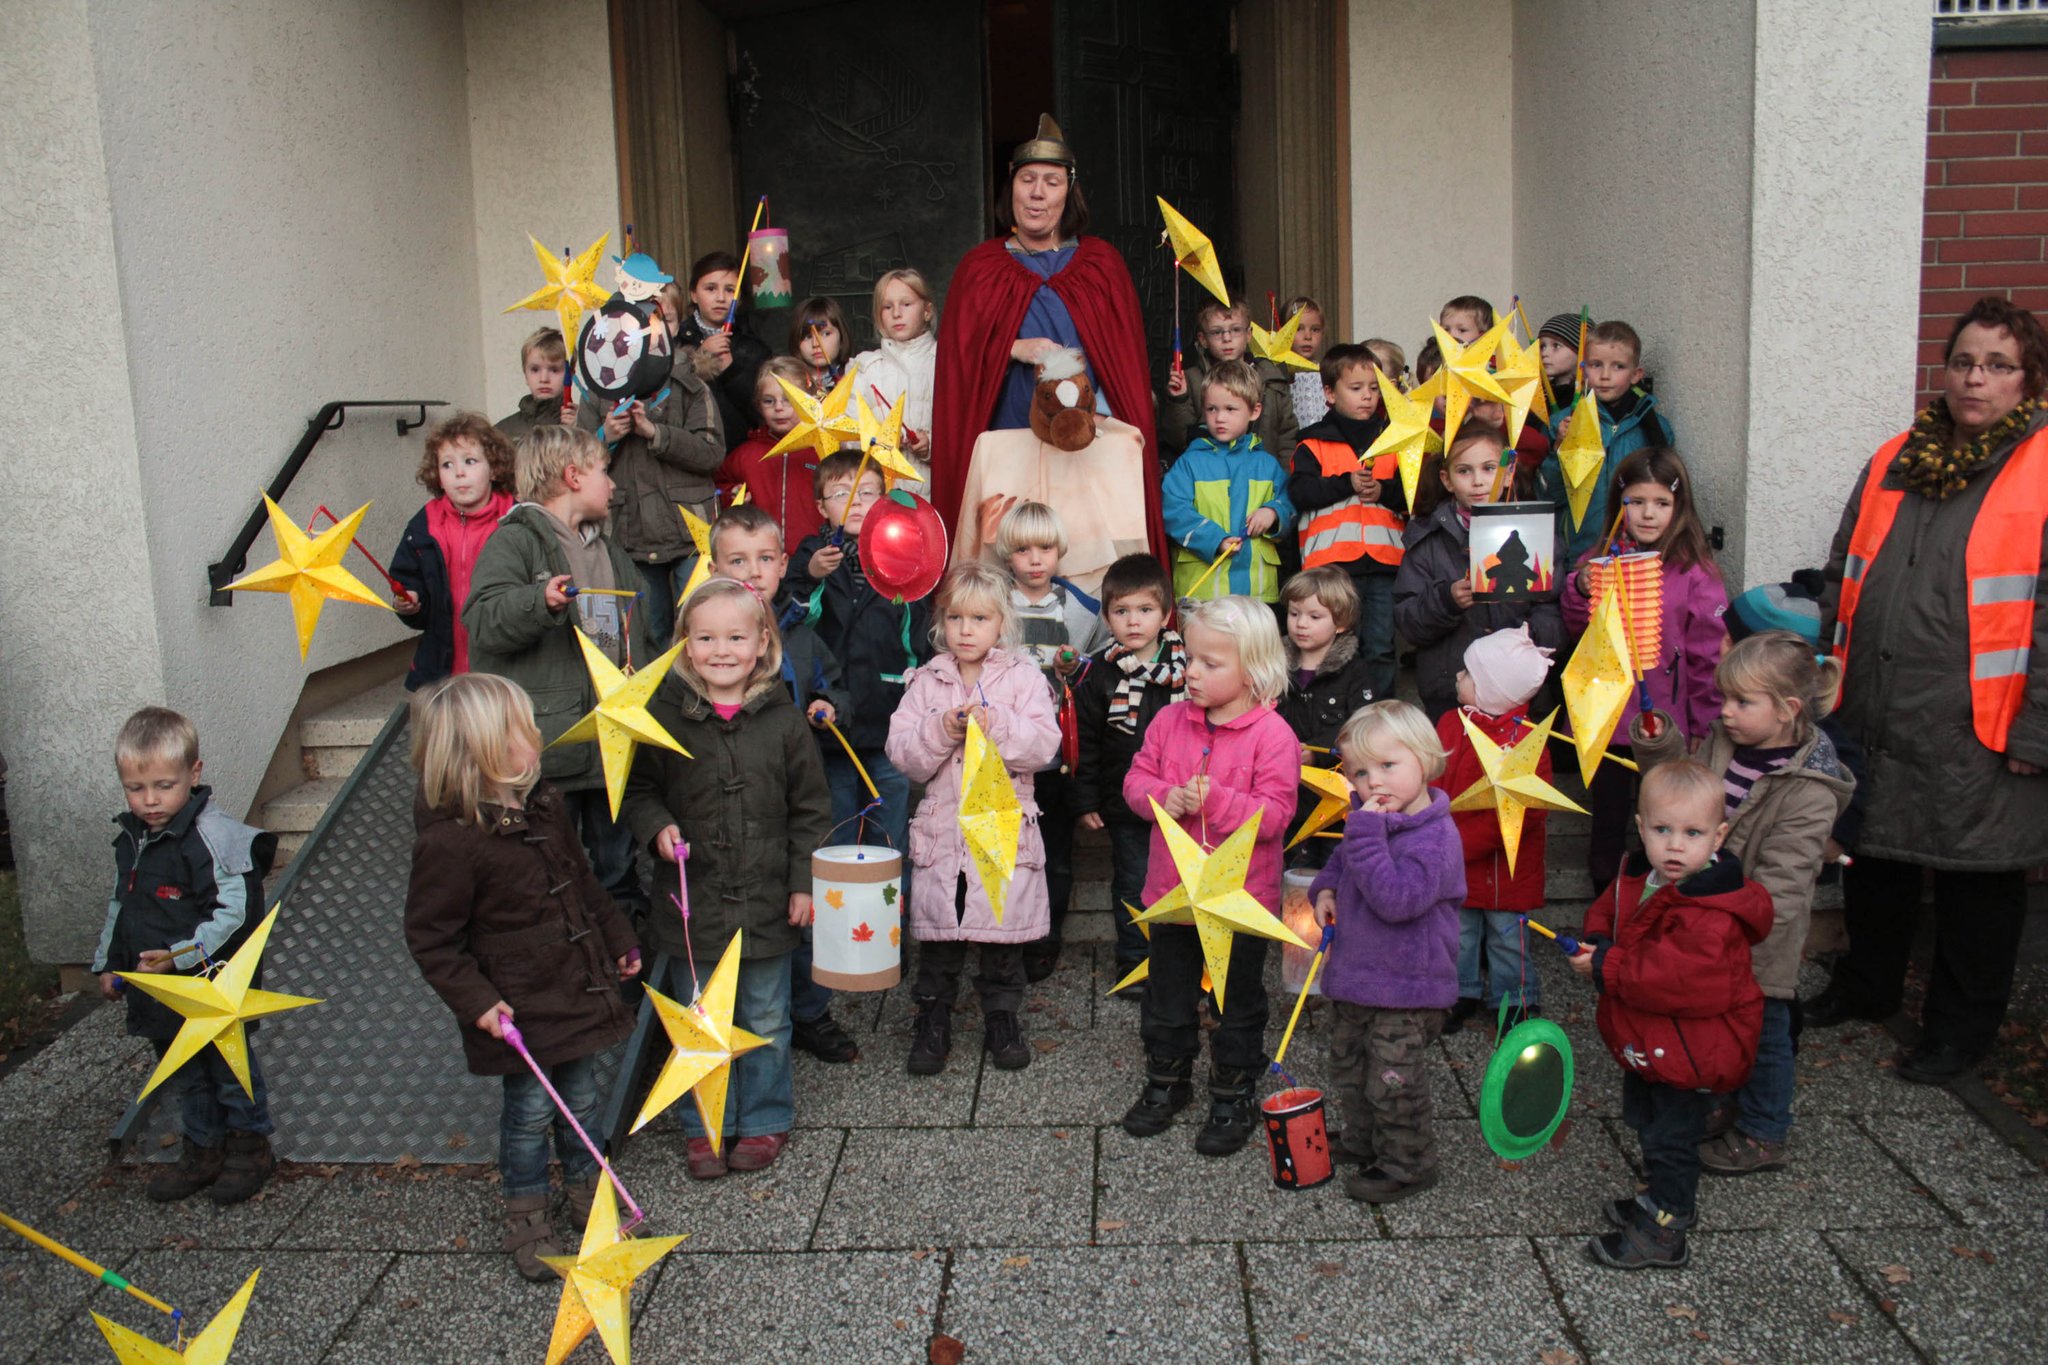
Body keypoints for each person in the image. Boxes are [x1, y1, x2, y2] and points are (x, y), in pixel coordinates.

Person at [1809, 296, 2048, 1083]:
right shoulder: (1894, 457)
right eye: (1965, 361)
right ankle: (1868, 985)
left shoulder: (2042, 465)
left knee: (1980, 884)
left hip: (1981, 722)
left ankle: (1959, 1030)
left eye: (1998, 365)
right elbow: (1845, 572)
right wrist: (1827, 685)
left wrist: (2036, 732)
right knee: (1876, 858)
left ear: (2028, 378)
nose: (1976, 378)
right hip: (1876, 705)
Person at [402, 675, 640, 1279]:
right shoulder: (451, 844)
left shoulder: (544, 806)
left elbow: (583, 881)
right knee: (531, 1111)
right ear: (482, 751)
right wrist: (478, 1003)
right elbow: (432, 938)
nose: (536, 734)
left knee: (582, 1097)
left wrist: (616, 938)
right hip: (519, 1006)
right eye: (521, 729)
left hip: (577, 985)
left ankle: (588, 1188)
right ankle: (527, 1209)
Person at [622, 578, 832, 1178]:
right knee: (699, 1018)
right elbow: (637, 790)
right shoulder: (665, 718)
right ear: (687, 646)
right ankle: (705, 1124)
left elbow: (812, 811)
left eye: (736, 637)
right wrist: (657, 825)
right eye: (706, 637)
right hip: (692, 904)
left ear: (762, 642)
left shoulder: (786, 722)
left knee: (766, 1015)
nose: (721, 650)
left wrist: (803, 884)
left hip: (766, 899)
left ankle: (764, 1119)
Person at [1632, 631, 1853, 1174]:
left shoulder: (1809, 788)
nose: (1725, 712)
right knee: (1715, 1024)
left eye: (1741, 702)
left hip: (1759, 933)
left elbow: (1784, 879)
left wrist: (1737, 925)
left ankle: (1764, 1129)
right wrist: (1661, 746)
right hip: (1706, 919)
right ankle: (1721, 1096)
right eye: (1724, 698)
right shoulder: (1725, 745)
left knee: (1766, 1030)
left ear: (1788, 710)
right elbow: (1690, 797)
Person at [930, 114, 1166, 566]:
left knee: (1089, 562)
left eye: (1052, 182)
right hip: (1009, 441)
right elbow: (959, 362)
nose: (1037, 193)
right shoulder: (980, 268)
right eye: (1028, 179)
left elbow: (1123, 366)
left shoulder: (1102, 265)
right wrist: (1012, 348)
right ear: (1012, 187)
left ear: (1069, 191)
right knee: (1010, 559)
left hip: (1090, 444)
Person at [1570, 760, 1772, 1270]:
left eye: (1693, 833)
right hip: (1653, 1042)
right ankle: (1656, 1198)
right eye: (1662, 830)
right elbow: (1609, 909)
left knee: (1672, 1138)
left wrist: (1607, 964)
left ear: (1719, 835)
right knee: (1647, 1122)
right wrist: (1597, 939)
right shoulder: (1642, 874)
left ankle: (1668, 1224)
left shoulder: (1711, 913)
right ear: (1642, 828)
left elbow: (1679, 979)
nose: (1676, 845)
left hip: (1690, 1050)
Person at [1121, 597, 1299, 1155]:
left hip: (1241, 902)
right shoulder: (1169, 720)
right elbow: (1135, 781)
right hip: (1173, 896)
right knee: (1166, 995)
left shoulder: (1273, 737)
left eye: (1209, 663)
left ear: (1254, 670)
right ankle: (1166, 1081)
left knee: (1237, 1000)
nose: (1190, 672)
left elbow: (1275, 816)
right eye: (1189, 658)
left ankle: (1233, 1089)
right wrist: (1160, 798)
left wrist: (1218, 802)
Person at [464, 425, 664, 916]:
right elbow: (483, 621)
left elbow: (643, 636)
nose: (613, 485)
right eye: (605, 473)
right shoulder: (514, 542)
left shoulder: (611, 552)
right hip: (551, 752)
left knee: (618, 873)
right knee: (551, 877)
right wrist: (540, 602)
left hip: (612, 747)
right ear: (573, 477)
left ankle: (624, 970)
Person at [92, 707, 279, 1206]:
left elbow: (234, 912)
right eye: (136, 788)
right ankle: (204, 1149)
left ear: (194, 774)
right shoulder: (132, 838)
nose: (149, 800)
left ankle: (250, 1146)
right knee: (184, 1070)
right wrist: (109, 963)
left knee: (229, 1069)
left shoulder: (214, 838)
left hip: (211, 986)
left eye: (163, 785)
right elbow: (122, 905)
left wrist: (181, 955)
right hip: (159, 990)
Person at [887, 562, 1063, 1074]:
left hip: (1000, 827)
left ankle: (1002, 1016)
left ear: (1001, 624)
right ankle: (933, 1016)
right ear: (941, 622)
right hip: (943, 832)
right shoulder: (926, 682)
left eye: (980, 619)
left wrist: (999, 724)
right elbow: (903, 753)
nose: (966, 629)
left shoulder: (1024, 679)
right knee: (941, 935)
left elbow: (1043, 747)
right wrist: (942, 727)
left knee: (999, 935)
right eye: (956, 618)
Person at [709, 503, 857, 1066]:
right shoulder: (705, 640)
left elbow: (837, 685)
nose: (753, 570)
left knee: (804, 905)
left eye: (765, 558)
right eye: (738, 559)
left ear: (779, 565)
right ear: (715, 566)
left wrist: (829, 704)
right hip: (727, 799)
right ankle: (743, 1018)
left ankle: (811, 1013)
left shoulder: (799, 633)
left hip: (794, 799)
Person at [1310, 700, 1462, 1203]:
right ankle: (1363, 1139)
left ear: (1424, 759)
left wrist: (1367, 836)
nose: (1373, 782)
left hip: (1408, 987)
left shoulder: (1435, 836)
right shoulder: (1370, 821)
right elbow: (1342, 863)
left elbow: (1400, 900)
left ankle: (1408, 1161)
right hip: (1357, 974)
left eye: (1388, 766)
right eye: (1359, 771)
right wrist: (1325, 890)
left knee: (1393, 1079)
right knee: (1350, 1066)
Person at [1560, 446, 1728, 889]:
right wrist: (1579, 586)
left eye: (1662, 503)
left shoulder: (1695, 571)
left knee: (1666, 825)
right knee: (1609, 827)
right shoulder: (1599, 559)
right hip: (1609, 722)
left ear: (1679, 507)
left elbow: (1707, 659)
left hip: (1665, 728)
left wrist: (1702, 730)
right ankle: (1607, 917)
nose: (1648, 514)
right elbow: (1577, 629)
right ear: (1620, 505)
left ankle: (1658, 919)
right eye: (1636, 502)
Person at [788, 451, 930, 870]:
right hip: (831, 726)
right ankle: (836, 928)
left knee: (891, 836)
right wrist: (811, 575)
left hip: (889, 720)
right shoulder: (810, 554)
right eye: (841, 494)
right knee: (837, 833)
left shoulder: (902, 552)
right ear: (821, 508)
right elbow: (791, 616)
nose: (855, 503)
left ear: (884, 501)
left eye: (867, 492)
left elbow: (918, 626)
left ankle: (894, 929)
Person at [573, 287, 725, 642]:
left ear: (674, 328)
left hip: (690, 531)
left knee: (701, 623)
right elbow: (574, 463)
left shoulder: (690, 385)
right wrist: (605, 435)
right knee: (650, 631)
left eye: (662, 322)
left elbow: (711, 452)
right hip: (632, 532)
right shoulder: (597, 391)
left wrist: (656, 432)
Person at [996, 500, 1105, 980]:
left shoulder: (1081, 611)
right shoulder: (993, 606)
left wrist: (1074, 670)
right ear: (1008, 555)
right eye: (1023, 550)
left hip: (1059, 757)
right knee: (1005, 853)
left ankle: (1046, 938)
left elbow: (1098, 670)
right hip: (1005, 757)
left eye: (1045, 548)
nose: (1035, 559)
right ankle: (1003, 936)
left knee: (1056, 856)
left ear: (1060, 551)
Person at [1394, 430, 1566, 721]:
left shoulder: (1536, 533)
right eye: (1464, 471)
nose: (1478, 481)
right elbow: (1408, 621)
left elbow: (1555, 612)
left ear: (1508, 472)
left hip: (1517, 691)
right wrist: (1446, 601)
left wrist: (1528, 639)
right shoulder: (1428, 540)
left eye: (1489, 468)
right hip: (1451, 693)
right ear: (1446, 479)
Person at [1072, 554, 1185, 984]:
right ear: (1107, 617)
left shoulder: (1187, 667)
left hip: (1182, 801)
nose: (1133, 622)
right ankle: (1136, 958)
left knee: (1181, 879)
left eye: (1145, 610)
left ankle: (1181, 957)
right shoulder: (1099, 674)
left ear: (1165, 614)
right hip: (1126, 802)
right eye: (1121, 611)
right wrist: (1086, 800)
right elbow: (1087, 742)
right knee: (1134, 882)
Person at [1435, 627, 1555, 1028]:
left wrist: (1459, 842)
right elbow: (1436, 774)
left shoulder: (1526, 742)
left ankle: (1517, 998)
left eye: (1468, 674)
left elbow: (1525, 810)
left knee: (1508, 937)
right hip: (1458, 855)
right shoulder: (1452, 724)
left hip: (1506, 864)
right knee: (1461, 932)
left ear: (1492, 689)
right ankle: (1460, 991)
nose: (1457, 678)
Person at [1289, 343, 1404, 699]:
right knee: (1334, 649)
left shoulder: (1394, 440)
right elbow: (1301, 492)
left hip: (1384, 566)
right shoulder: (1312, 443)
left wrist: (1382, 492)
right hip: (1332, 569)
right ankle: (1336, 715)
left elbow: (1413, 498)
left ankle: (1379, 720)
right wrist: (1345, 483)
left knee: (1381, 648)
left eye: (1373, 388)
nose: (1367, 397)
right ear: (1329, 393)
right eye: (1356, 389)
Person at [391, 414, 518, 691]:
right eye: (447, 464)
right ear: (437, 474)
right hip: (442, 667)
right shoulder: (424, 524)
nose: (459, 472)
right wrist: (409, 602)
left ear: (494, 469)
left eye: (469, 461)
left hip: (505, 667)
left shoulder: (516, 519)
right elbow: (408, 579)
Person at [1540, 320, 1677, 568]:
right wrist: (1559, 448)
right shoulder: (1563, 422)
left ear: (1636, 375)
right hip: (1578, 554)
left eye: (1618, 367)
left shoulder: (1656, 427)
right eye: (1596, 365)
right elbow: (1547, 494)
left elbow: (1670, 493)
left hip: (1638, 556)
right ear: (1583, 369)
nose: (1605, 376)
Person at [1162, 360, 1297, 603]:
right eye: (1211, 409)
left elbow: (1290, 501)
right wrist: (1215, 540)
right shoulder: (1190, 462)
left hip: (1256, 591)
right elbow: (1173, 511)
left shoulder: (1266, 464)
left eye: (1230, 409)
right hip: (1203, 592)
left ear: (1254, 411)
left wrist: (1273, 512)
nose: (1219, 417)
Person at [1276, 569, 1379, 830]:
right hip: (1282, 786)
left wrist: (1317, 752)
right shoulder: (1274, 666)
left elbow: (1363, 725)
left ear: (1341, 622)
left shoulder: (1355, 671)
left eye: (1314, 616)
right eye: (1294, 613)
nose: (1301, 624)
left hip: (1336, 794)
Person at [1159, 300, 1299, 459]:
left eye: (1236, 329)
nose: (1226, 338)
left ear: (1248, 334)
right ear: (1203, 339)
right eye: (1217, 332)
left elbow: (1287, 438)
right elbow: (1178, 439)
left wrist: (1285, 479)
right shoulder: (1191, 380)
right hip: (1212, 476)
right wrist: (1179, 400)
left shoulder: (1271, 379)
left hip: (1263, 478)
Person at [717, 356, 827, 547]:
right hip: (759, 556)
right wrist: (731, 494)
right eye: (769, 401)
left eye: (789, 400)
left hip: (814, 556)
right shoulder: (746, 455)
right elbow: (718, 485)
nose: (778, 408)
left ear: (809, 400)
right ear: (758, 405)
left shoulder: (823, 449)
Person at [671, 250, 773, 456]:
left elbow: (763, 412)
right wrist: (698, 358)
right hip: (688, 454)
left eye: (729, 290)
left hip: (739, 457)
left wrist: (731, 372)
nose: (720, 298)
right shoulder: (675, 340)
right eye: (710, 288)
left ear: (740, 298)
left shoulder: (754, 347)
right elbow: (668, 400)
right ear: (693, 294)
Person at [849, 267, 939, 492]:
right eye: (887, 307)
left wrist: (931, 444)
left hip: (937, 492)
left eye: (906, 304)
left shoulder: (946, 363)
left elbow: (965, 429)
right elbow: (846, 431)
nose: (896, 313)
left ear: (927, 311)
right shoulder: (865, 368)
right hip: (882, 493)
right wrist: (879, 441)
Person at [496, 327, 573, 441]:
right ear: (525, 375)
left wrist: (577, 431)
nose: (544, 379)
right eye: (535, 370)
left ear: (570, 375)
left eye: (554, 370)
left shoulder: (583, 425)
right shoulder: (501, 433)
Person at [1282, 295, 1329, 427]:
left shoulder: (1327, 373)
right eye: (1298, 329)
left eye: (1315, 330)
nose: (1308, 336)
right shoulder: (1281, 374)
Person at [789, 296, 852, 395]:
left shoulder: (855, 379)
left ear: (841, 336)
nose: (816, 344)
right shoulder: (789, 383)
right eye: (808, 336)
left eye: (826, 334)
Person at [1538, 312, 1582, 413]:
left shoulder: (1586, 397)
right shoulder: (1540, 395)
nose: (1544, 353)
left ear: (1579, 351)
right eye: (1542, 346)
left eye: (1556, 346)